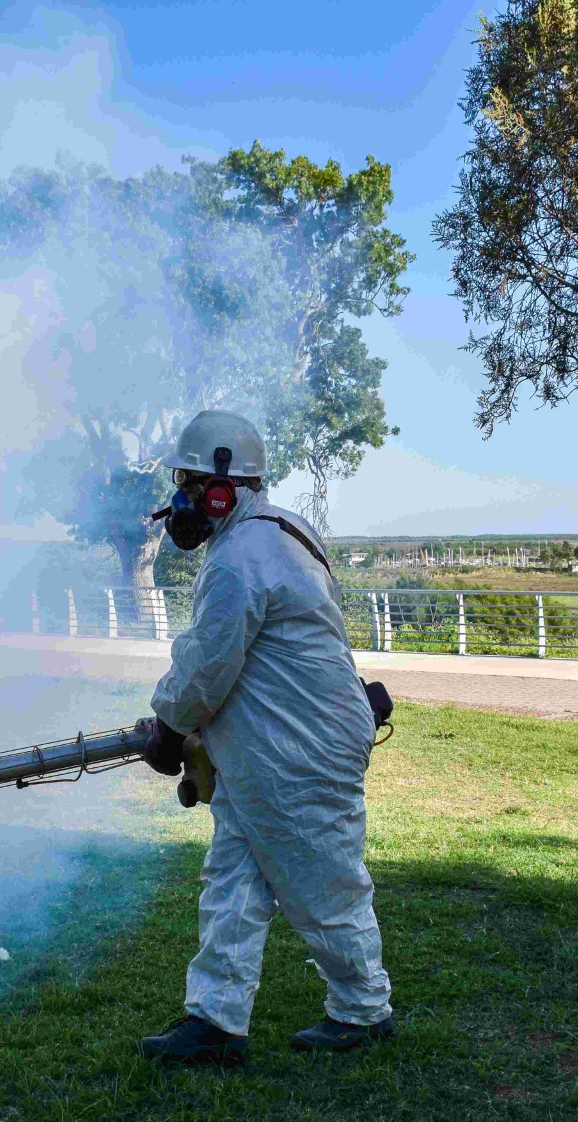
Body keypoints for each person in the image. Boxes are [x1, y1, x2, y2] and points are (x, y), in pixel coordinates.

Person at [136, 409, 394, 1068]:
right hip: (270, 746)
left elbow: (209, 661)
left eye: (189, 483)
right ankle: (216, 1021)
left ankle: (364, 1012)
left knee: (323, 883)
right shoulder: (281, 533)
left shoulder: (244, 555)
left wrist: (170, 723)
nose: (181, 500)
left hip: (302, 749)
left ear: (224, 484)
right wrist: (180, 723)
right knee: (233, 884)